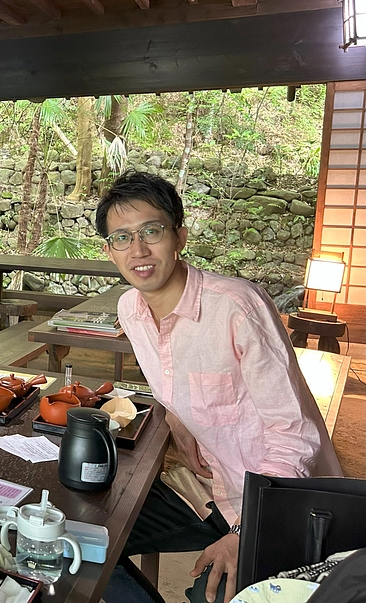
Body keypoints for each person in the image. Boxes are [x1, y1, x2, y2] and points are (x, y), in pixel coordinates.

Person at [96, 171, 341, 603]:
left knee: (211, 595)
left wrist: (246, 532)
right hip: (209, 487)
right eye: (122, 238)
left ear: (180, 236)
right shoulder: (130, 309)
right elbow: (171, 382)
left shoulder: (235, 306)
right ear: (109, 250)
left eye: (151, 231)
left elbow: (293, 434)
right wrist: (177, 417)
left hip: (284, 505)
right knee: (79, 539)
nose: (138, 250)